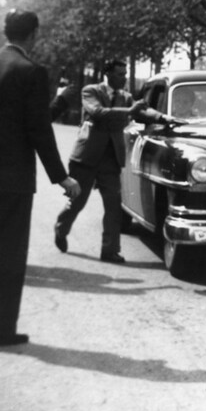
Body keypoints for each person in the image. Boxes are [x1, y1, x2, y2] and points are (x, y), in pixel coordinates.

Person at [0, 9, 81, 347]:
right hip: (12, 178)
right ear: (32, 34)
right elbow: (39, 131)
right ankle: (1, 329)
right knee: (9, 253)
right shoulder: (31, 72)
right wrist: (62, 178)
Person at [54, 60, 165, 263]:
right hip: (86, 157)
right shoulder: (91, 91)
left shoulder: (126, 97)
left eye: (125, 74)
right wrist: (130, 112)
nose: (123, 78)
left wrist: (163, 118)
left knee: (114, 206)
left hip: (111, 159)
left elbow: (141, 112)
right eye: (119, 74)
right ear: (108, 75)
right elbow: (98, 113)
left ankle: (110, 251)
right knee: (78, 202)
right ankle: (61, 229)